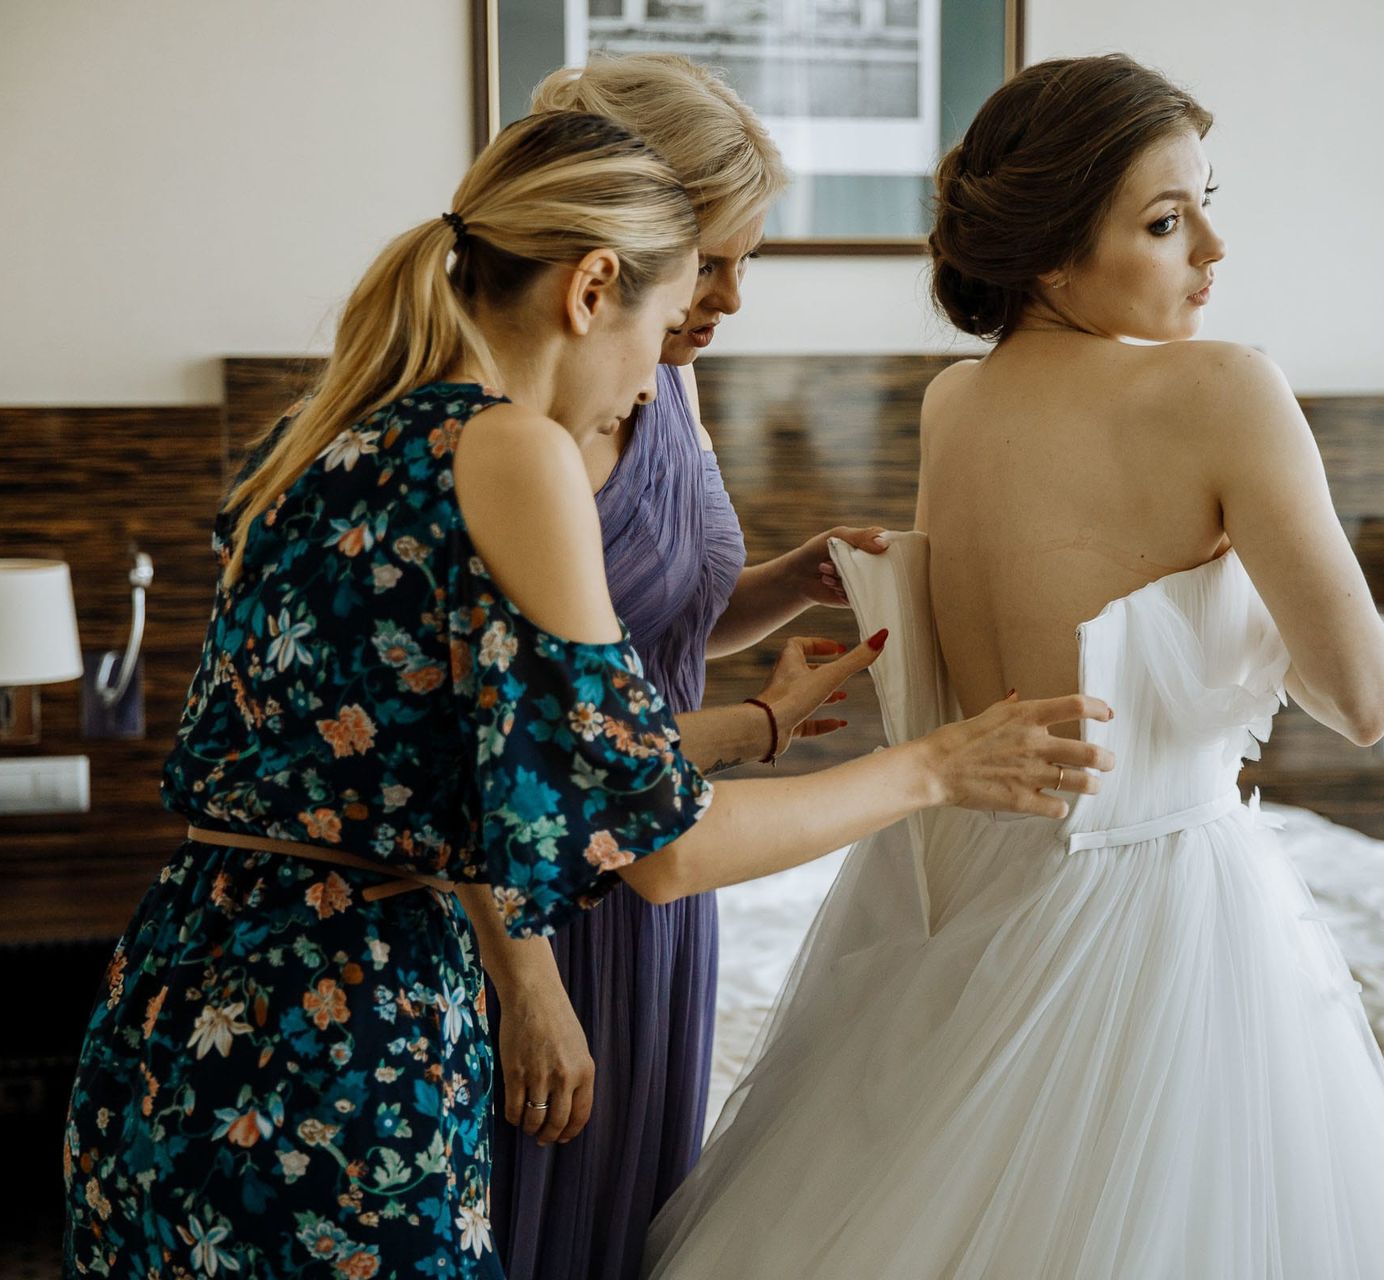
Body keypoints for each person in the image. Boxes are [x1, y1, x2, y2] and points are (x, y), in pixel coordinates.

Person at [62, 108, 1111, 1278]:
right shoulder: (510, 449)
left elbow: (523, 767)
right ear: (592, 286)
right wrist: (936, 765)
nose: (653, 385)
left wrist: (760, 723)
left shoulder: (328, 442)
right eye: (665, 326)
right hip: (341, 1034)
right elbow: (657, 847)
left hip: (173, 1009)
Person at [645, 56, 1384, 1278]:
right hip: (1152, 895)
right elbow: (1364, 699)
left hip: (958, 876)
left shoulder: (953, 403)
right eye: (1167, 221)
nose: (1215, 251)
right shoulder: (1227, 387)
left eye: (1205, 204)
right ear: (1047, 259)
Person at [470, 54, 883, 1280]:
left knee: (630, 1209)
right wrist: (525, 980)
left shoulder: (664, 377)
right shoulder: (516, 434)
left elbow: (647, 635)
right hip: (545, 890)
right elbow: (493, 743)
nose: (735, 297)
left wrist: (783, 580)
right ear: (618, 249)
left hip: (660, 869)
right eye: (714, 261)